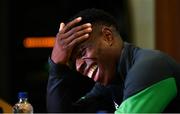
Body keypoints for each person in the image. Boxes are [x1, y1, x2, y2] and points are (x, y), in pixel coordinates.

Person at [47, 8, 180, 113]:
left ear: (107, 36)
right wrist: (56, 66)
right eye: (74, 64)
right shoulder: (110, 83)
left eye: (82, 52)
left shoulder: (151, 67)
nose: (79, 67)